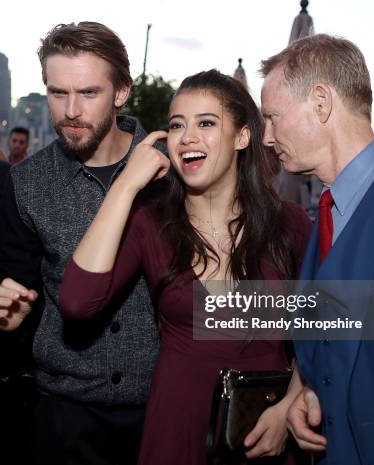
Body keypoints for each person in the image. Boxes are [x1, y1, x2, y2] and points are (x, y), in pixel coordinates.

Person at [59, 69, 312, 465]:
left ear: (242, 136)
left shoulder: (291, 224)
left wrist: (294, 399)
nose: (188, 137)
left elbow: (335, 325)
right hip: (177, 428)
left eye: (206, 123)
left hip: (267, 427)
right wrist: (126, 185)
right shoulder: (152, 223)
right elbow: (76, 301)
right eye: (177, 125)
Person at [260, 34, 374, 465]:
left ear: (321, 102)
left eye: (273, 118)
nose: (268, 137)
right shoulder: (320, 213)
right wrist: (307, 392)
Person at [0, 22, 160, 465]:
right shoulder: (26, 182)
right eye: (57, 92)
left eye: (88, 93)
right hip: (63, 412)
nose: (70, 110)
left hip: (162, 406)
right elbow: (17, 294)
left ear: (121, 92)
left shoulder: (172, 173)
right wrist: (13, 319)